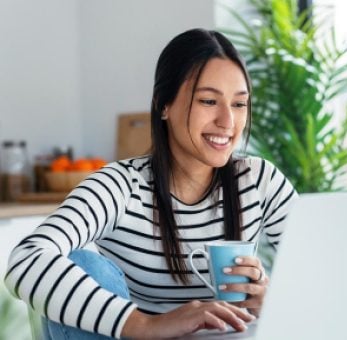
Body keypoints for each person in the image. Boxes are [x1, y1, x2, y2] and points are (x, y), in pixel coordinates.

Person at [4, 28, 297, 339]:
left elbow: (329, 275)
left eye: (239, 104)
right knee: (84, 264)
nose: (228, 122)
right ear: (163, 106)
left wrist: (275, 299)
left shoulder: (258, 180)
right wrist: (146, 325)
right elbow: (26, 259)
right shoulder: (121, 186)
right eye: (209, 101)